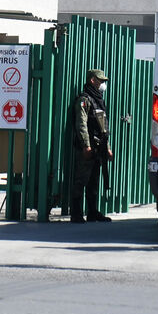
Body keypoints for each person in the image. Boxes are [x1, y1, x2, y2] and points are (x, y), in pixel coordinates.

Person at [68, 68, 113, 223]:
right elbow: (81, 124)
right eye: (100, 81)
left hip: (98, 146)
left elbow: (102, 127)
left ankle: (92, 212)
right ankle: (76, 213)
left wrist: (107, 148)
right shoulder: (84, 100)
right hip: (88, 146)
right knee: (81, 180)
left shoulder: (98, 100)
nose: (102, 84)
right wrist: (86, 145)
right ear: (92, 80)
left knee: (94, 181)